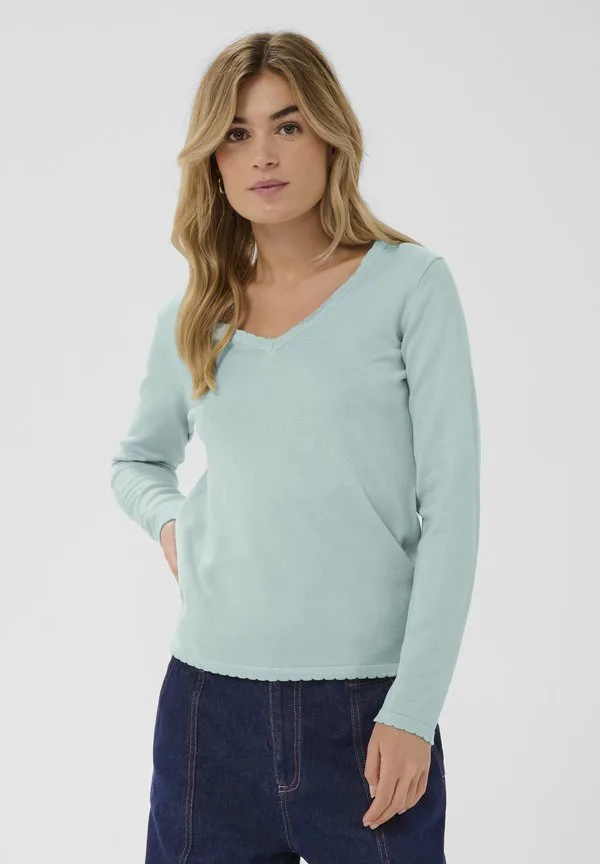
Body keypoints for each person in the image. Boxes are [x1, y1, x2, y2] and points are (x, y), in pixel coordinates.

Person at [110, 29, 480, 864]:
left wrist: (413, 710)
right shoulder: (194, 315)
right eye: (236, 134)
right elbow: (137, 461)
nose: (263, 155)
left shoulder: (411, 286)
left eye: (288, 124)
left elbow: (453, 511)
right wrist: (172, 524)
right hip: (207, 712)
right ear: (212, 161)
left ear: (330, 135)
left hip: (368, 712)